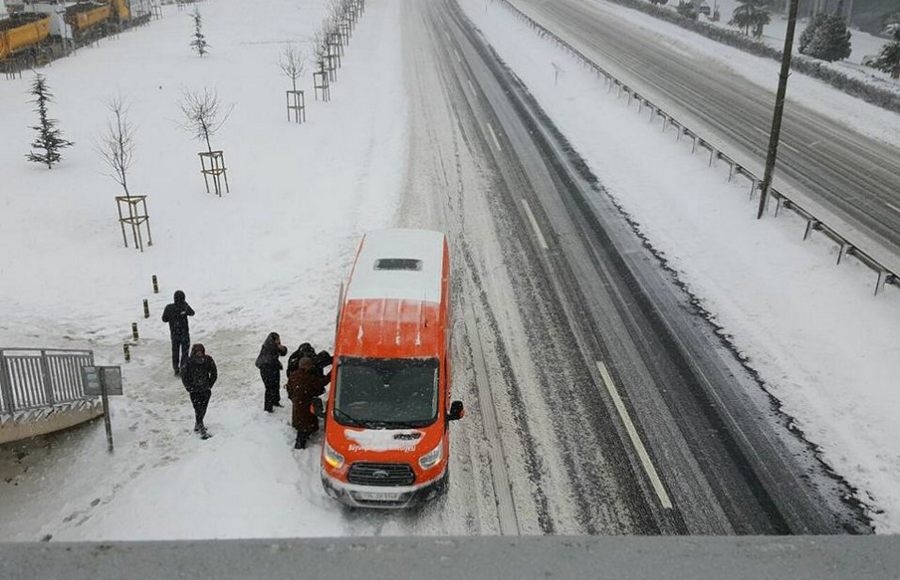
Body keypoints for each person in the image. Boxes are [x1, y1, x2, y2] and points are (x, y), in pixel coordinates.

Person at [286, 357, 331, 449]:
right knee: (304, 425)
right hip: (305, 403)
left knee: (301, 422)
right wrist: (331, 374)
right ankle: (299, 446)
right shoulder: (307, 377)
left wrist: (293, 398)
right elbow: (321, 383)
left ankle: (304, 436)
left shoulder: (294, 375)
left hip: (298, 403)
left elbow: (289, 388)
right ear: (307, 367)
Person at [180, 343, 217, 439]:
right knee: (198, 409)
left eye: (201, 352)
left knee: (203, 408)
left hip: (205, 390)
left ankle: (198, 424)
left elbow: (214, 372)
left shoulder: (208, 360)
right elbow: (184, 376)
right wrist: (189, 387)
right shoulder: (188, 362)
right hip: (195, 391)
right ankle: (201, 426)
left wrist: (209, 385)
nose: (199, 354)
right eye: (197, 352)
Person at [161, 290, 195, 376]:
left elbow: (164, 319)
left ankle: (176, 369)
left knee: (175, 352)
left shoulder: (169, 307)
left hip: (174, 334)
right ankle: (183, 368)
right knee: (185, 352)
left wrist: (172, 317)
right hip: (184, 333)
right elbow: (192, 313)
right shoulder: (184, 307)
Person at [255, 332, 287, 412]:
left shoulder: (274, 346)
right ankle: (268, 408)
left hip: (273, 368)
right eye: (278, 339)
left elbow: (283, 353)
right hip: (267, 369)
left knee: (276, 386)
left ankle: (275, 401)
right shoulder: (269, 347)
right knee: (270, 388)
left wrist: (282, 348)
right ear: (273, 340)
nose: (279, 340)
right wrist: (280, 348)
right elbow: (270, 359)